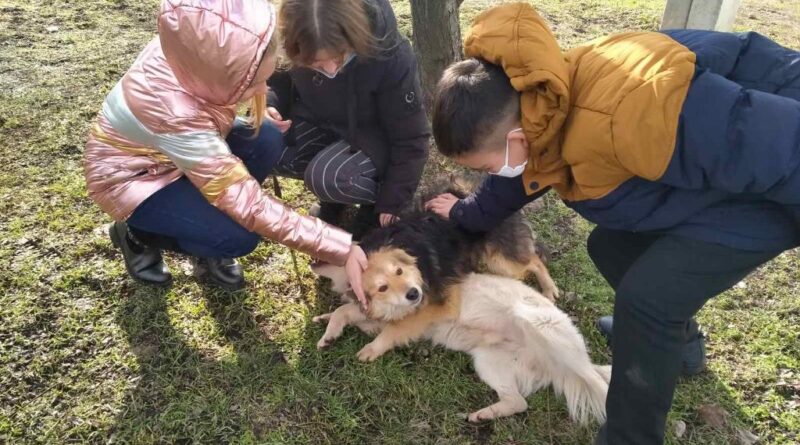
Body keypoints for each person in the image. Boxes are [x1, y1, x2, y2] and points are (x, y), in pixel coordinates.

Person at [424, 3, 800, 444]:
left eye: (486, 166)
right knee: (611, 246)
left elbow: (781, 146)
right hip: (729, 163)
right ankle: (679, 347)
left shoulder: (636, 110)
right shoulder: (541, 103)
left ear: (515, 140)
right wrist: (464, 214)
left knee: (649, 298)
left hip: (779, 169)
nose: (491, 175)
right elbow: (516, 180)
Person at [84, 0, 367, 296]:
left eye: (264, 80)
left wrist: (264, 105)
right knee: (239, 237)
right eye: (250, 85)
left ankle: (203, 229)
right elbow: (249, 203)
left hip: (183, 150)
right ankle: (138, 235)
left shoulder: (197, 48)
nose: (260, 91)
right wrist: (340, 247)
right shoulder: (173, 111)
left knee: (267, 136)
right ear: (219, 75)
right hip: (137, 177)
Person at [266, 0, 430, 239]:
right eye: (316, 64)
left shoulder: (390, 56)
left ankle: (372, 205)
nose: (331, 70)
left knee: (328, 177)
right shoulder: (293, 39)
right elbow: (278, 78)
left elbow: (412, 137)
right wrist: (270, 105)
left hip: (373, 138)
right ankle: (335, 199)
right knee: (267, 143)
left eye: (340, 57)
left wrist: (393, 201)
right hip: (320, 121)